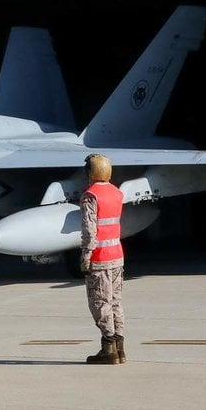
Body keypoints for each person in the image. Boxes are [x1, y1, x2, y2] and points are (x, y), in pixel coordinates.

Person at [79, 154, 126, 365]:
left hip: (99, 258)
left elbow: (90, 231)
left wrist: (85, 257)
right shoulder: (117, 193)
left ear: (91, 172)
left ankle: (108, 350)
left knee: (100, 303)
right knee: (115, 302)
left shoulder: (90, 196)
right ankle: (120, 349)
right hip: (117, 256)